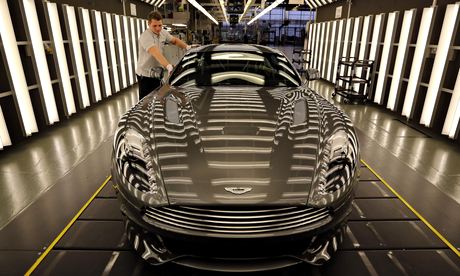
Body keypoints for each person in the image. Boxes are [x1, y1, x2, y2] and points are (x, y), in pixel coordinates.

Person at [136, 11, 191, 100]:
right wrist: (168, 66)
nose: (158, 28)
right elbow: (155, 52)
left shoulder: (163, 33)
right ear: (149, 24)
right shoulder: (146, 36)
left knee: (157, 98)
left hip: (157, 73)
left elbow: (175, 41)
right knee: (146, 101)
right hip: (145, 75)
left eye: (160, 25)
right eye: (155, 26)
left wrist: (188, 47)